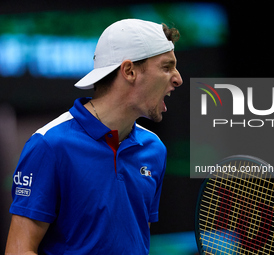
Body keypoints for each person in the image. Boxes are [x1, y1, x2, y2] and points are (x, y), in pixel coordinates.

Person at [5, 19, 183, 254]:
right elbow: (19, 250)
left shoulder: (155, 149)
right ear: (129, 71)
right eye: (166, 67)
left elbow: (136, 241)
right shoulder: (49, 145)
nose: (178, 78)